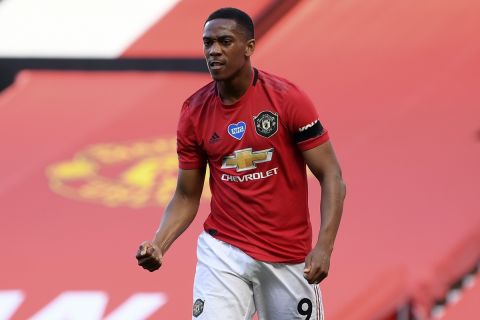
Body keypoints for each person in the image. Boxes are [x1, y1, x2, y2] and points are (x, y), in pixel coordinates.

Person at [136, 7, 346, 320]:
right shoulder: (194, 112)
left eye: (224, 41)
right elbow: (185, 195)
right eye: (208, 43)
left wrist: (324, 247)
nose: (213, 51)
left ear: (249, 47)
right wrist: (159, 243)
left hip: (287, 256)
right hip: (225, 251)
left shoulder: (287, 100)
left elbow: (331, 176)